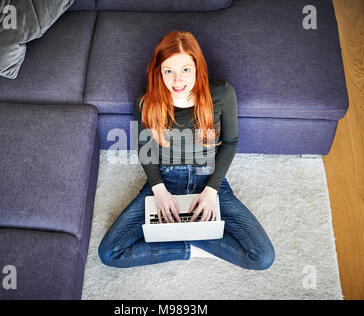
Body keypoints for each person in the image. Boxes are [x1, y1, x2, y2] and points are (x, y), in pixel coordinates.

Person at [98, 30, 275, 270]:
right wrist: (158, 191)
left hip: (211, 180)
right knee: (110, 253)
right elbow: (144, 145)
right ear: (158, 71)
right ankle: (190, 247)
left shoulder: (222, 93)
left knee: (262, 257)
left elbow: (231, 142)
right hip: (164, 180)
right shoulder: (146, 99)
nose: (177, 81)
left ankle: (179, 232)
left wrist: (212, 190)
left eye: (185, 70)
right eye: (168, 71)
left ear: (197, 67)